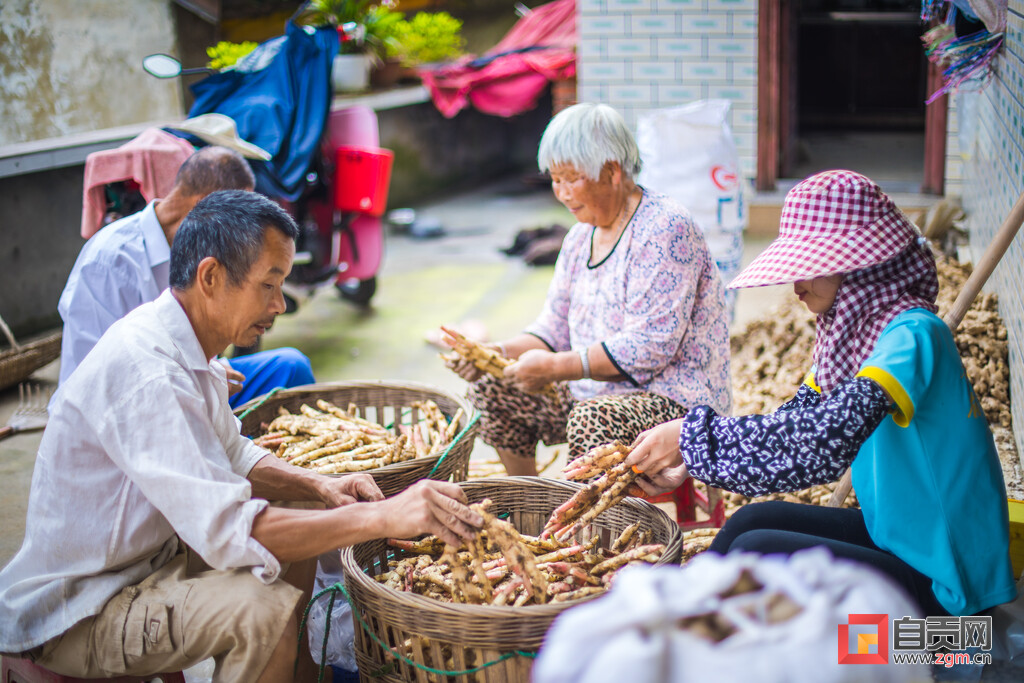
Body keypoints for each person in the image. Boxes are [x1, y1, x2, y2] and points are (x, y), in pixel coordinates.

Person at [0, 191, 483, 681]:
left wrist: (319, 485)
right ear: (210, 277)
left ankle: (298, 671)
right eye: (268, 285)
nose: (279, 305)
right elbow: (229, 531)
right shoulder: (150, 372)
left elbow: (233, 451)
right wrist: (380, 516)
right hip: (84, 605)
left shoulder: (190, 346)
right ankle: (284, 658)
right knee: (261, 612)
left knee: (304, 504)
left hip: (149, 556)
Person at [626, 170, 1017, 616]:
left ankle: (694, 644)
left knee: (757, 551)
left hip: (948, 595)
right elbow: (793, 423)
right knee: (751, 521)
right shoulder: (850, 343)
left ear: (859, 264)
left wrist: (691, 437)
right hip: (894, 538)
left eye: (810, 268)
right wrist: (692, 463)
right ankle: (674, 631)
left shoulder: (912, 337)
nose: (796, 286)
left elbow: (823, 441)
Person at [447, 103, 731, 476]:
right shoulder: (580, 238)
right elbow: (553, 328)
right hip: (592, 390)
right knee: (492, 389)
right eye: (555, 179)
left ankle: (583, 526)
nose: (561, 193)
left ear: (612, 171)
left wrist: (557, 367)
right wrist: (495, 353)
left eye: (570, 178)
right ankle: (530, 506)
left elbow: (651, 346)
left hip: (674, 399)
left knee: (591, 419)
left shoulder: (665, 228)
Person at [57, 145, 314, 408]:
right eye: (239, 222)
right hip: (130, 402)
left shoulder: (203, 249)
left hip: (193, 376)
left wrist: (209, 370)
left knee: (290, 367)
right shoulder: (108, 263)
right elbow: (102, 381)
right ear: (203, 206)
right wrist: (197, 378)